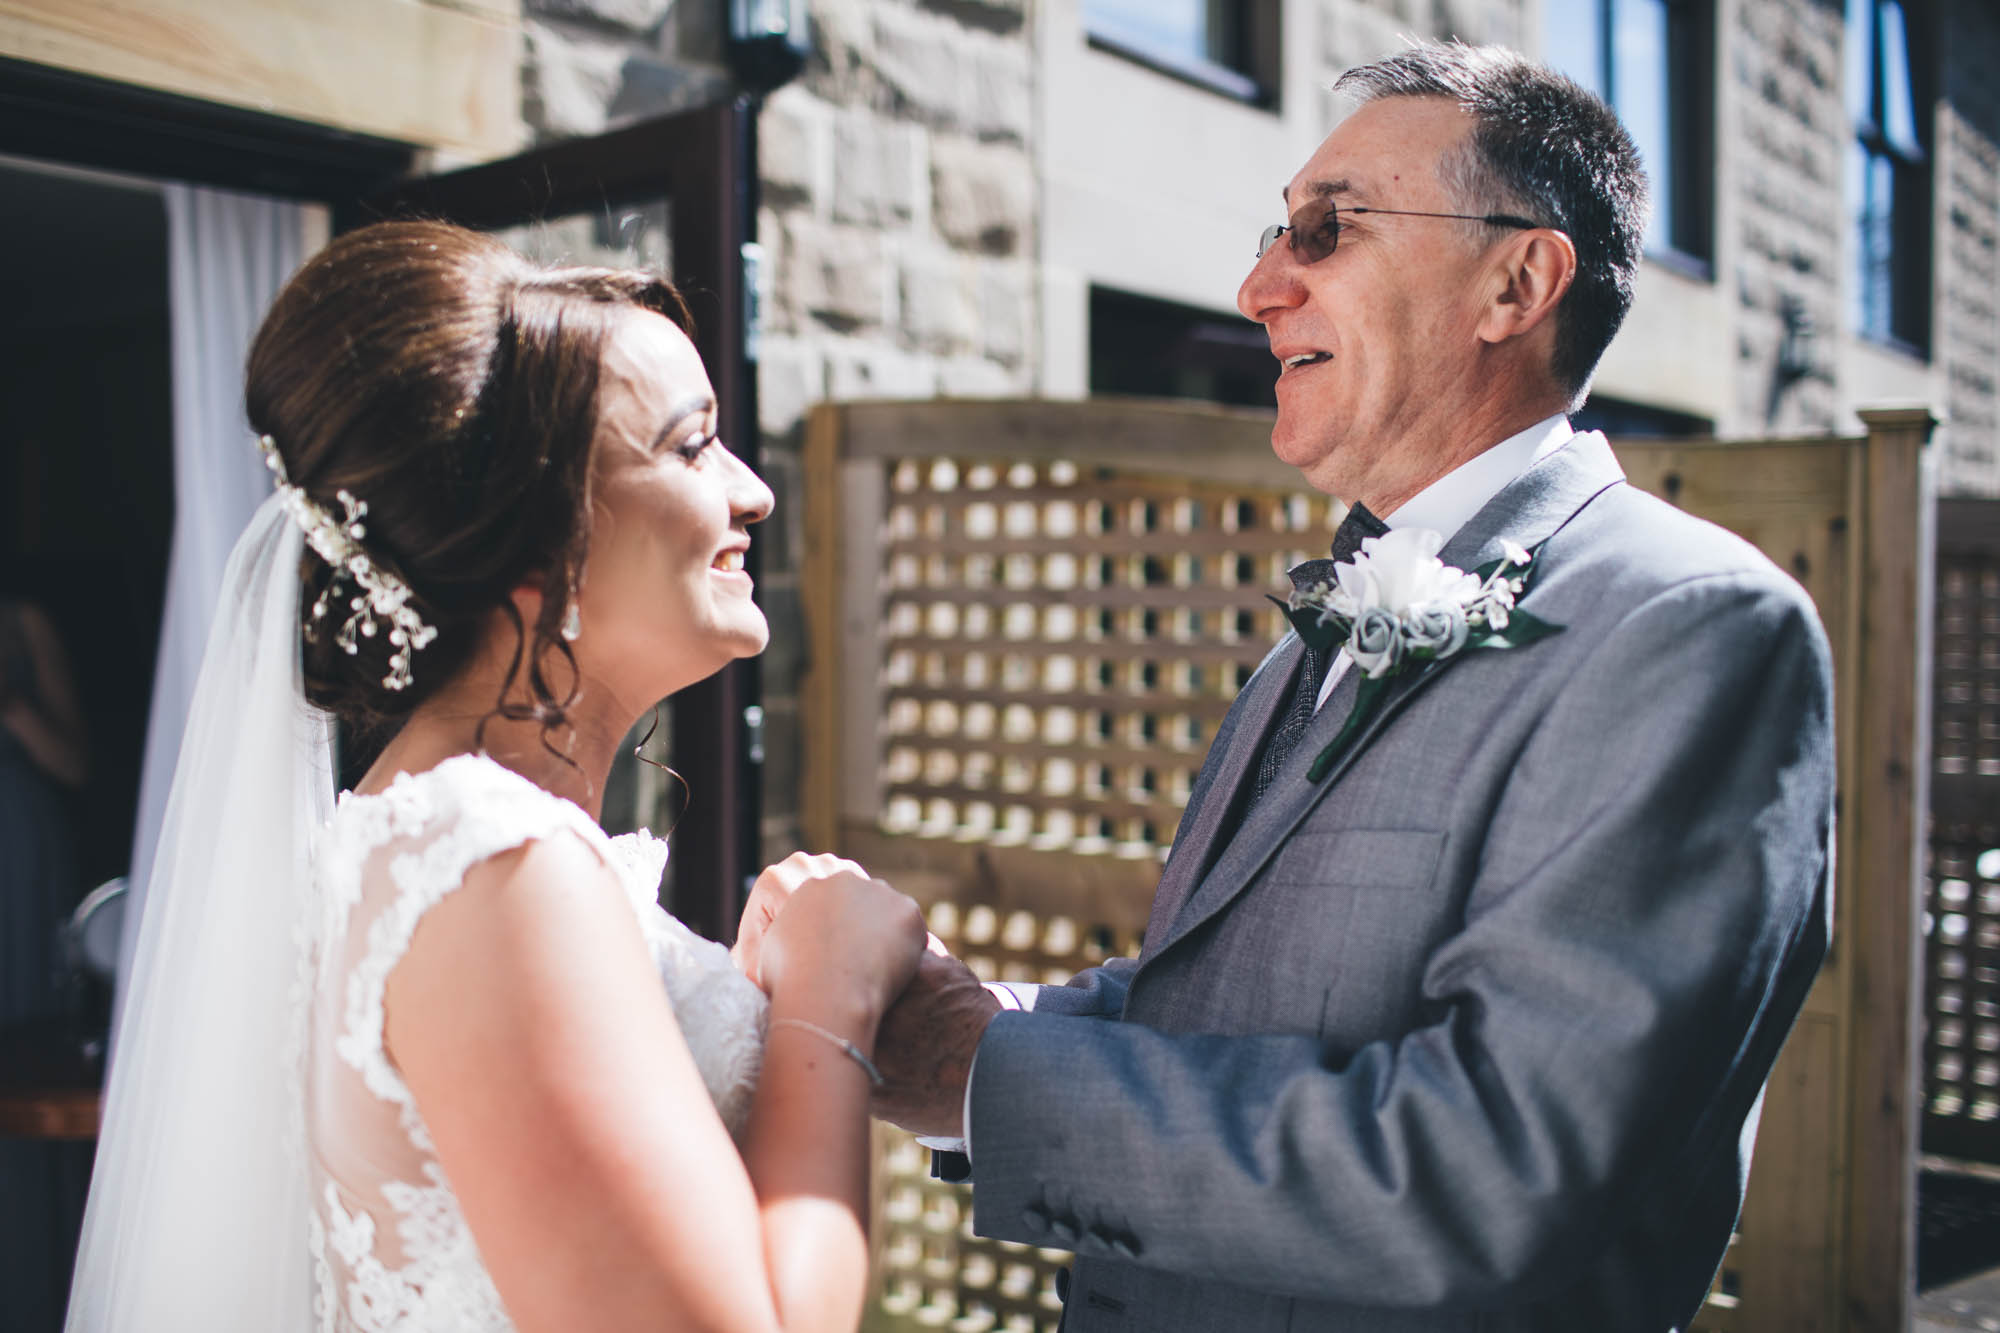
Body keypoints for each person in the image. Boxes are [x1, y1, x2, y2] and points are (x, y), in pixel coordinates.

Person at [818, 43, 1836, 1333]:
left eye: (1325, 230)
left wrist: (983, 1077)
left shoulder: (1689, 630)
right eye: (1274, 234)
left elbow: (1491, 1172)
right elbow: (1232, 1003)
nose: (1257, 286)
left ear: (1515, 281)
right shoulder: (1320, 628)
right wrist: (953, 1024)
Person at [66, 220, 927, 1333]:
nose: (752, 492)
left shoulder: (433, 836)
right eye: (690, 445)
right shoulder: (493, 861)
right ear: (536, 548)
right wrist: (831, 992)